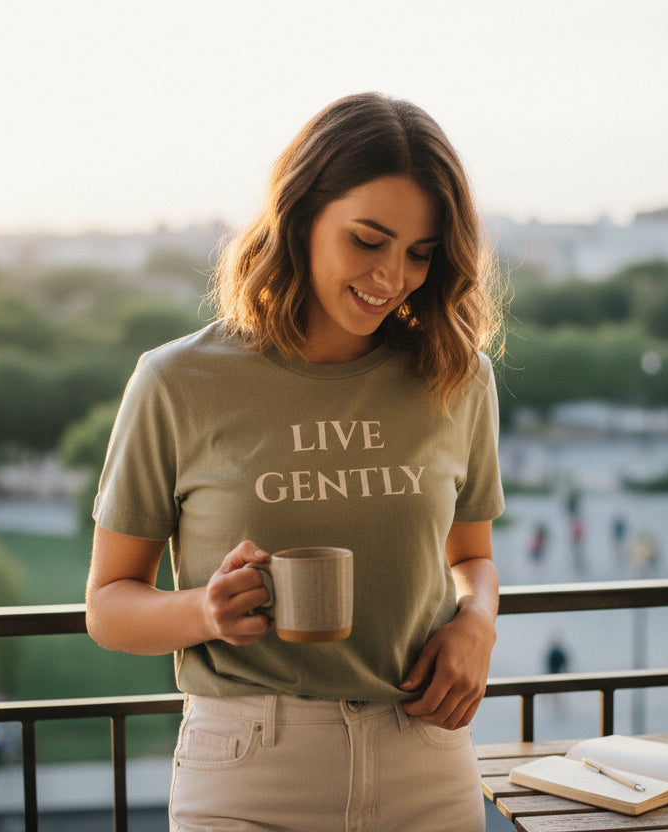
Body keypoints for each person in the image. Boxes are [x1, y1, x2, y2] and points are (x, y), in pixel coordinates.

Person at [85, 92, 505, 832]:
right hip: (250, 770)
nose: (393, 276)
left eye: (420, 253)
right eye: (368, 241)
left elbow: (472, 559)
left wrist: (476, 624)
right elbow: (109, 604)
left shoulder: (455, 375)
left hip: (426, 765)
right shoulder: (177, 382)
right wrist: (203, 611)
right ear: (302, 214)